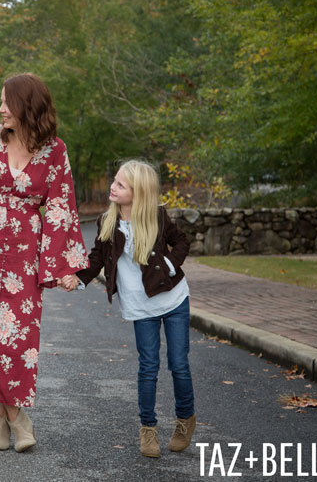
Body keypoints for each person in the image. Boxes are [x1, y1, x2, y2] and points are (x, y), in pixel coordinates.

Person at [0, 73, 88, 452]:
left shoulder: (55, 151)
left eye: (7, 102)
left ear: (27, 105)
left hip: (26, 250)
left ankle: (6, 415)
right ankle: (14, 417)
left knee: (16, 336)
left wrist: (65, 265)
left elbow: (61, 206)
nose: (0, 108)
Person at [60, 160, 195, 458]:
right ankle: (148, 429)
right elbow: (96, 258)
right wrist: (77, 278)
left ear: (139, 192)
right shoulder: (107, 221)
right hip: (139, 306)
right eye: (115, 180)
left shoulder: (157, 217)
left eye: (121, 185)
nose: (113, 186)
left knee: (178, 364)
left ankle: (185, 421)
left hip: (173, 301)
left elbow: (181, 241)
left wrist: (171, 265)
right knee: (148, 367)